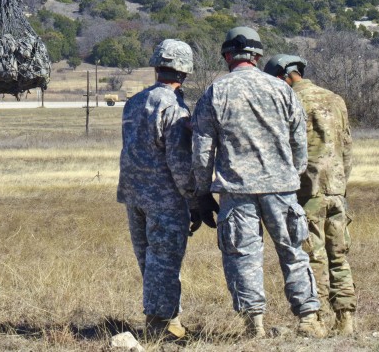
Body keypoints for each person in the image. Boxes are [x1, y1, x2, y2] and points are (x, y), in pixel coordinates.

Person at [191, 26, 324, 339]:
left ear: (226, 56)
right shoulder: (282, 90)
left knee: (243, 258)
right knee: (294, 253)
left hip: (237, 192)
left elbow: (202, 150)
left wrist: (201, 192)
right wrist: (292, 174)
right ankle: (307, 318)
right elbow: (299, 143)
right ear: (258, 56)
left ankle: (255, 325)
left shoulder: (216, 92)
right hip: (281, 188)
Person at [117, 39, 206, 341]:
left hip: (134, 195)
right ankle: (163, 326)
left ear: (157, 66)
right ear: (184, 72)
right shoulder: (173, 107)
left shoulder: (134, 102)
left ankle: (164, 319)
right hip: (164, 198)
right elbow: (179, 161)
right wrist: (194, 199)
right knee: (165, 262)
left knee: (149, 261)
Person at [263, 54, 356, 335]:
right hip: (337, 191)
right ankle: (346, 318)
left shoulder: (289, 101)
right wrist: (340, 183)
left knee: (312, 255)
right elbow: (348, 145)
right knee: (339, 255)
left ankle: (318, 319)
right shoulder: (336, 99)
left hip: (307, 192)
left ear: (282, 76)